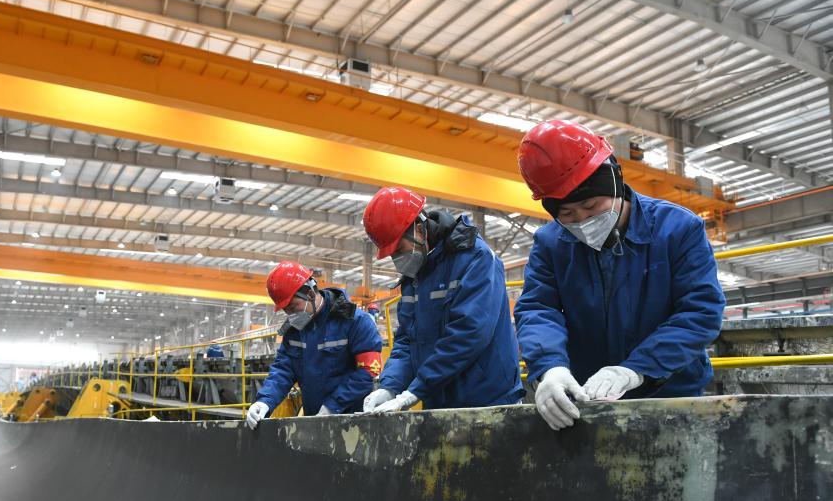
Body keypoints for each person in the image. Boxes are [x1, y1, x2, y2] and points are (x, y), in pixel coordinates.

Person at [513, 119, 725, 431]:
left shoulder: (678, 229)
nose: (582, 221)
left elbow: (700, 312)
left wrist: (636, 369)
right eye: (567, 214)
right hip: (587, 400)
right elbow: (538, 309)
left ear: (614, 181)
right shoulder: (550, 243)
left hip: (670, 396)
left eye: (590, 206)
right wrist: (551, 367)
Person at [360, 187, 524, 413]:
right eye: (392, 254)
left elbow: (469, 333)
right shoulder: (415, 275)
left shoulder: (475, 258)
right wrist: (390, 386)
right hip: (438, 402)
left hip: (489, 401)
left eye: (399, 249)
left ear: (419, 229)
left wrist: (416, 389)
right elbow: (407, 340)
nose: (398, 259)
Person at [245, 261, 383, 429]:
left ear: (310, 294)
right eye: (285, 310)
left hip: (353, 423)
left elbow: (368, 371)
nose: (290, 314)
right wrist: (264, 401)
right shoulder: (294, 330)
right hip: (314, 421)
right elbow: (283, 370)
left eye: (293, 306)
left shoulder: (355, 321)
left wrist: (332, 406)